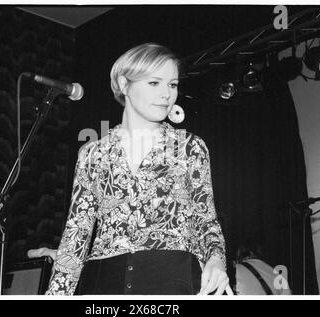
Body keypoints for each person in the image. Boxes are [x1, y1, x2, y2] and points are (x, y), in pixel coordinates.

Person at [29, 43, 230, 295]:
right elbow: (75, 237)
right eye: (154, 83)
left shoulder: (189, 147)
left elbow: (207, 221)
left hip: (172, 277)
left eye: (173, 84)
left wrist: (215, 260)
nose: (167, 94)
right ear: (124, 85)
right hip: (102, 281)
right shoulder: (93, 154)